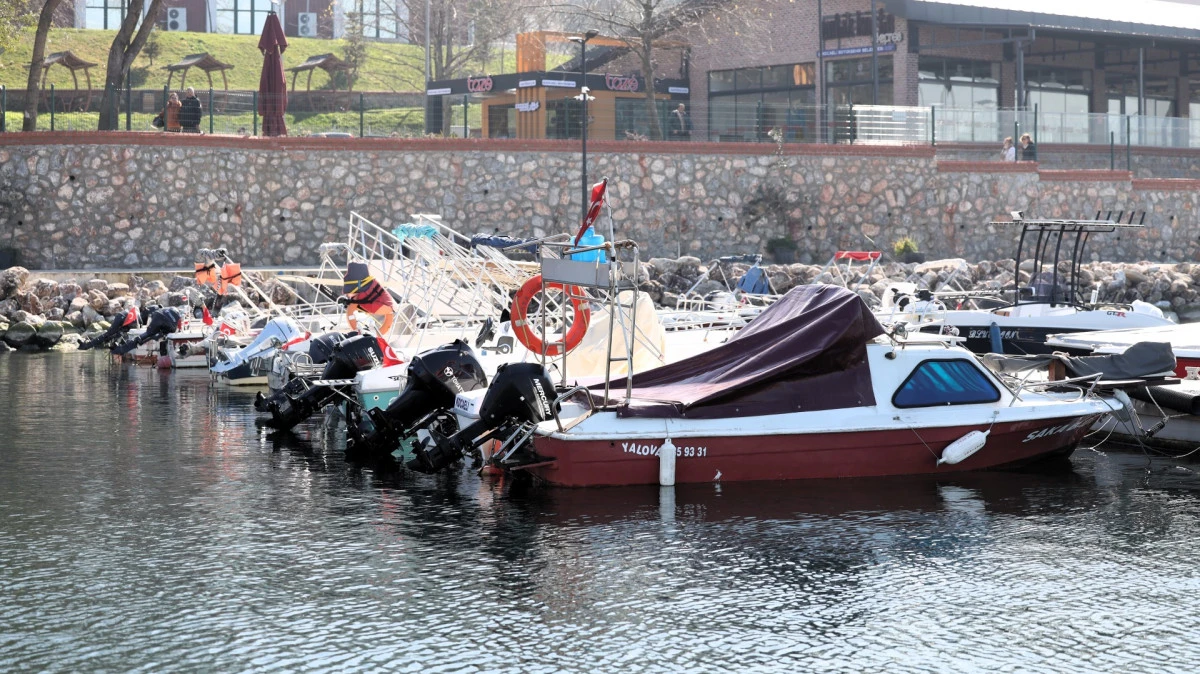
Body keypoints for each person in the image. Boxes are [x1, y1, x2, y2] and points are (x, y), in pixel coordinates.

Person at [339, 262, 396, 335]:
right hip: (384, 306)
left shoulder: (360, 294)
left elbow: (350, 311)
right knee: (352, 306)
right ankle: (362, 331)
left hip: (383, 306)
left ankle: (361, 331)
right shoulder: (361, 291)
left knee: (352, 307)